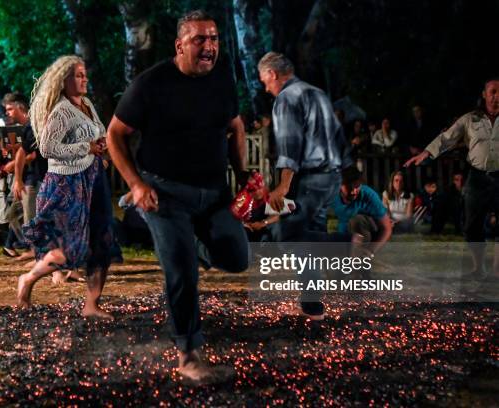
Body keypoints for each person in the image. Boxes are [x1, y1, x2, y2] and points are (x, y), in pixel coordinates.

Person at [107, 10, 249, 381]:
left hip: (215, 193)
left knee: (237, 258)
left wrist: (244, 173)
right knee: (181, 269)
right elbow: (114, 135)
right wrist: (136, 185)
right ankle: (189, 355)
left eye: (214, 38)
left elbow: (235, 126)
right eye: (200, 39)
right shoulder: (150, 84)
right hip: (164, 194)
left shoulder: (222, 77)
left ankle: (191, 246)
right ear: (179, 44)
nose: (209, 46)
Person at [257, 51, 351, 321]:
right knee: (307, 240)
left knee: (287, 232)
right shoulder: (318, 93)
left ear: (273, 74)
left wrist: (283, 185)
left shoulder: (287, 97)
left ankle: (345, 243)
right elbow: (338, 134)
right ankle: (313, 307)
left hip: (309, 177)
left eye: (265, 81)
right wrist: (344, 174)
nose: (266, 88)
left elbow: (290, 144)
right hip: (330, 176)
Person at [17, 55, 112, 319]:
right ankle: (28, 279)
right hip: (67, 183)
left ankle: (91, 305)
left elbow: (96, 135)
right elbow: (47, 149)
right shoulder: (60, 111)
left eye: (85, 74)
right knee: (70, 248)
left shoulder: (87, 104)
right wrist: (87, 147)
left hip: (94, 179)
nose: (84, 79)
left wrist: (101, 147)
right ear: (64, 80)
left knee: (102, 240)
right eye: (78, 75)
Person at [405, 78, 499, 280]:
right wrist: (426, 153)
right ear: (484, 94)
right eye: (492, 91)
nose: (496, 96)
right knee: (471, 225)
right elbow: (447, 137)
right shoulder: (471, 119)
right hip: (478, 176)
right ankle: (478, 267)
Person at [4, 92, 49, 262]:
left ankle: (36, 250)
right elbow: (25, 152)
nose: (7, 113)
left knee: (31, 217)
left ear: (20, 107)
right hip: (28, 178)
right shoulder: (26, 127)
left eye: (9, 109)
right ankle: (29, 245)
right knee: (11, 214)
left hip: (36, 178)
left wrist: (17, 176)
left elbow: (33, 154)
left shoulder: (35, 125)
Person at [333, 166, 392, 254]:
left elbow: (386, 228)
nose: (354, 191)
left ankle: (361, 254)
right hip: (347, 235)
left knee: (356, 221)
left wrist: (371, 252)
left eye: (357, 186)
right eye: (349, 187)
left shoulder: (369, 196)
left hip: (370, 233)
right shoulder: (331, 195)